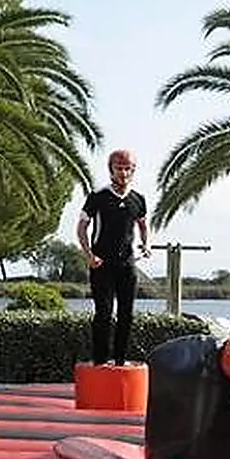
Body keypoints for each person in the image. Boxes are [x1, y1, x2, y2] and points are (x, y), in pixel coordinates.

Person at [76, 149, 150, 365]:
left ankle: (120, 359)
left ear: (133, 170)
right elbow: (81, 228)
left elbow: (143, 226)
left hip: (127, 264)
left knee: (127, 314)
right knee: (104, 313)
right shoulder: (97, 197)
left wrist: (146, 244)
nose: (124, 173)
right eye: (119, 168)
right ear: (111, 170)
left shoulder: (138, 199)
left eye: (128, 169)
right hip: (101, 264)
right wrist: (89, 255)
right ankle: (100, 360)